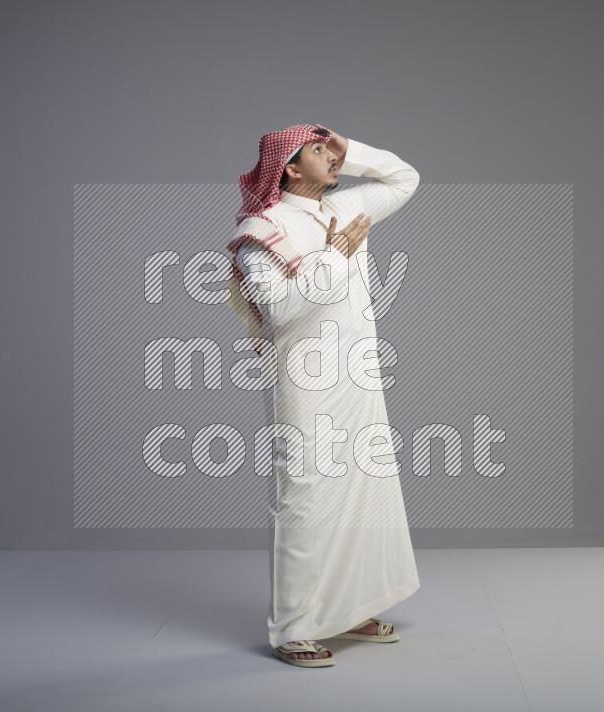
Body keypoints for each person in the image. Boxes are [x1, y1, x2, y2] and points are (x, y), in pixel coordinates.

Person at [226, 123, 421, 667]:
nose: (331, 158)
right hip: (304, 380)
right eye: (318, 151)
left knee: (361, 486)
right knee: (305, 495)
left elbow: (405, 177)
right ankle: (294, 628)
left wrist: (348, 146)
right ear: (288, 167)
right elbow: (283, 310)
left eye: (331, 149)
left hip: (358, 371)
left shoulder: (348, 205)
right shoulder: (260, 230)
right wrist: (333, 257)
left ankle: (348, 608)